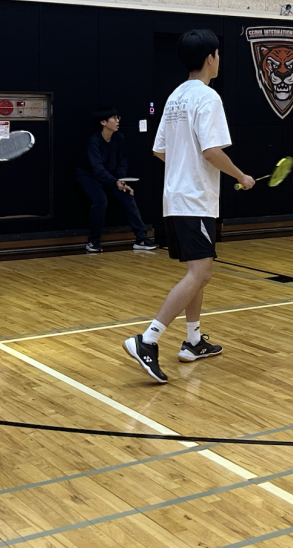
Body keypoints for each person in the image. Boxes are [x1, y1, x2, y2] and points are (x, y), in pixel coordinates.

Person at [123, 29, 254, 384]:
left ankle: (193, 340)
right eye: (219, 55)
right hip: (195, 200)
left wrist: (185, 169)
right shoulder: (208, 98)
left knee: (198, 271)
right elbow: (211, 151)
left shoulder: (175, 96)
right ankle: (147, 339)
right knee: (201, 274)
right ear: (211, 57)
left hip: (175, 199)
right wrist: (241, 176)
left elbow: (160, 150)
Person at [76, 106, 157, 253]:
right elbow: (97, 167)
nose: (118, 121)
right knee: (100, 201)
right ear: (103, 122)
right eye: (114, 118)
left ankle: (141, 239)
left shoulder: (119, 138)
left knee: (127, 196)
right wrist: (114, 182)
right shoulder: (94, 141)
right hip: (88, 176)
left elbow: (122, 161)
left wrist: (121, 180)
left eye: (118, 118)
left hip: (111, 177)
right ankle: (93, 242)